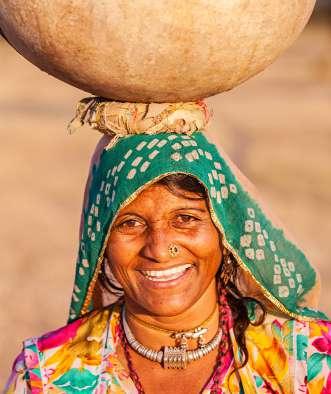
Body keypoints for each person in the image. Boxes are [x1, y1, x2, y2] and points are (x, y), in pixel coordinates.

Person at [5, 100, 331, 393]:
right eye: (130, 223)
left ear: (225, 230)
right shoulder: (45, 376)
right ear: (102, 240)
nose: (159, 249)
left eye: (185, 218)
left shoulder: (305, 360)